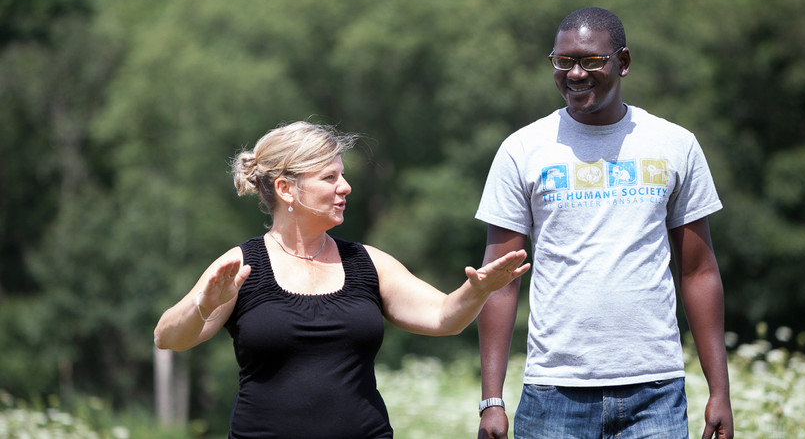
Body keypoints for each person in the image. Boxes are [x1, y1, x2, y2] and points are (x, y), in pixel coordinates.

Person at [153, 121, 530, 439]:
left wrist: (477, 290)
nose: (345, 186)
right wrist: (203, 305)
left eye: (343, 175)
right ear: (286, 189)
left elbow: (444, 317)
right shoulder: (241, 266)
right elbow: (168, 337)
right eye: (329, 177)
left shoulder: (368, 263)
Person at [475, 7, 734, 439]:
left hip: (655, 392)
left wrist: (719, 392)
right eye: (563, 61)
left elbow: (699, 272)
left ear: (623, 62)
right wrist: (492, 401)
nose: (575, 74)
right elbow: (499, 283)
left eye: (591, 61)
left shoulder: (675, 144)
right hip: (554, 392)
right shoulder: (522, 150)